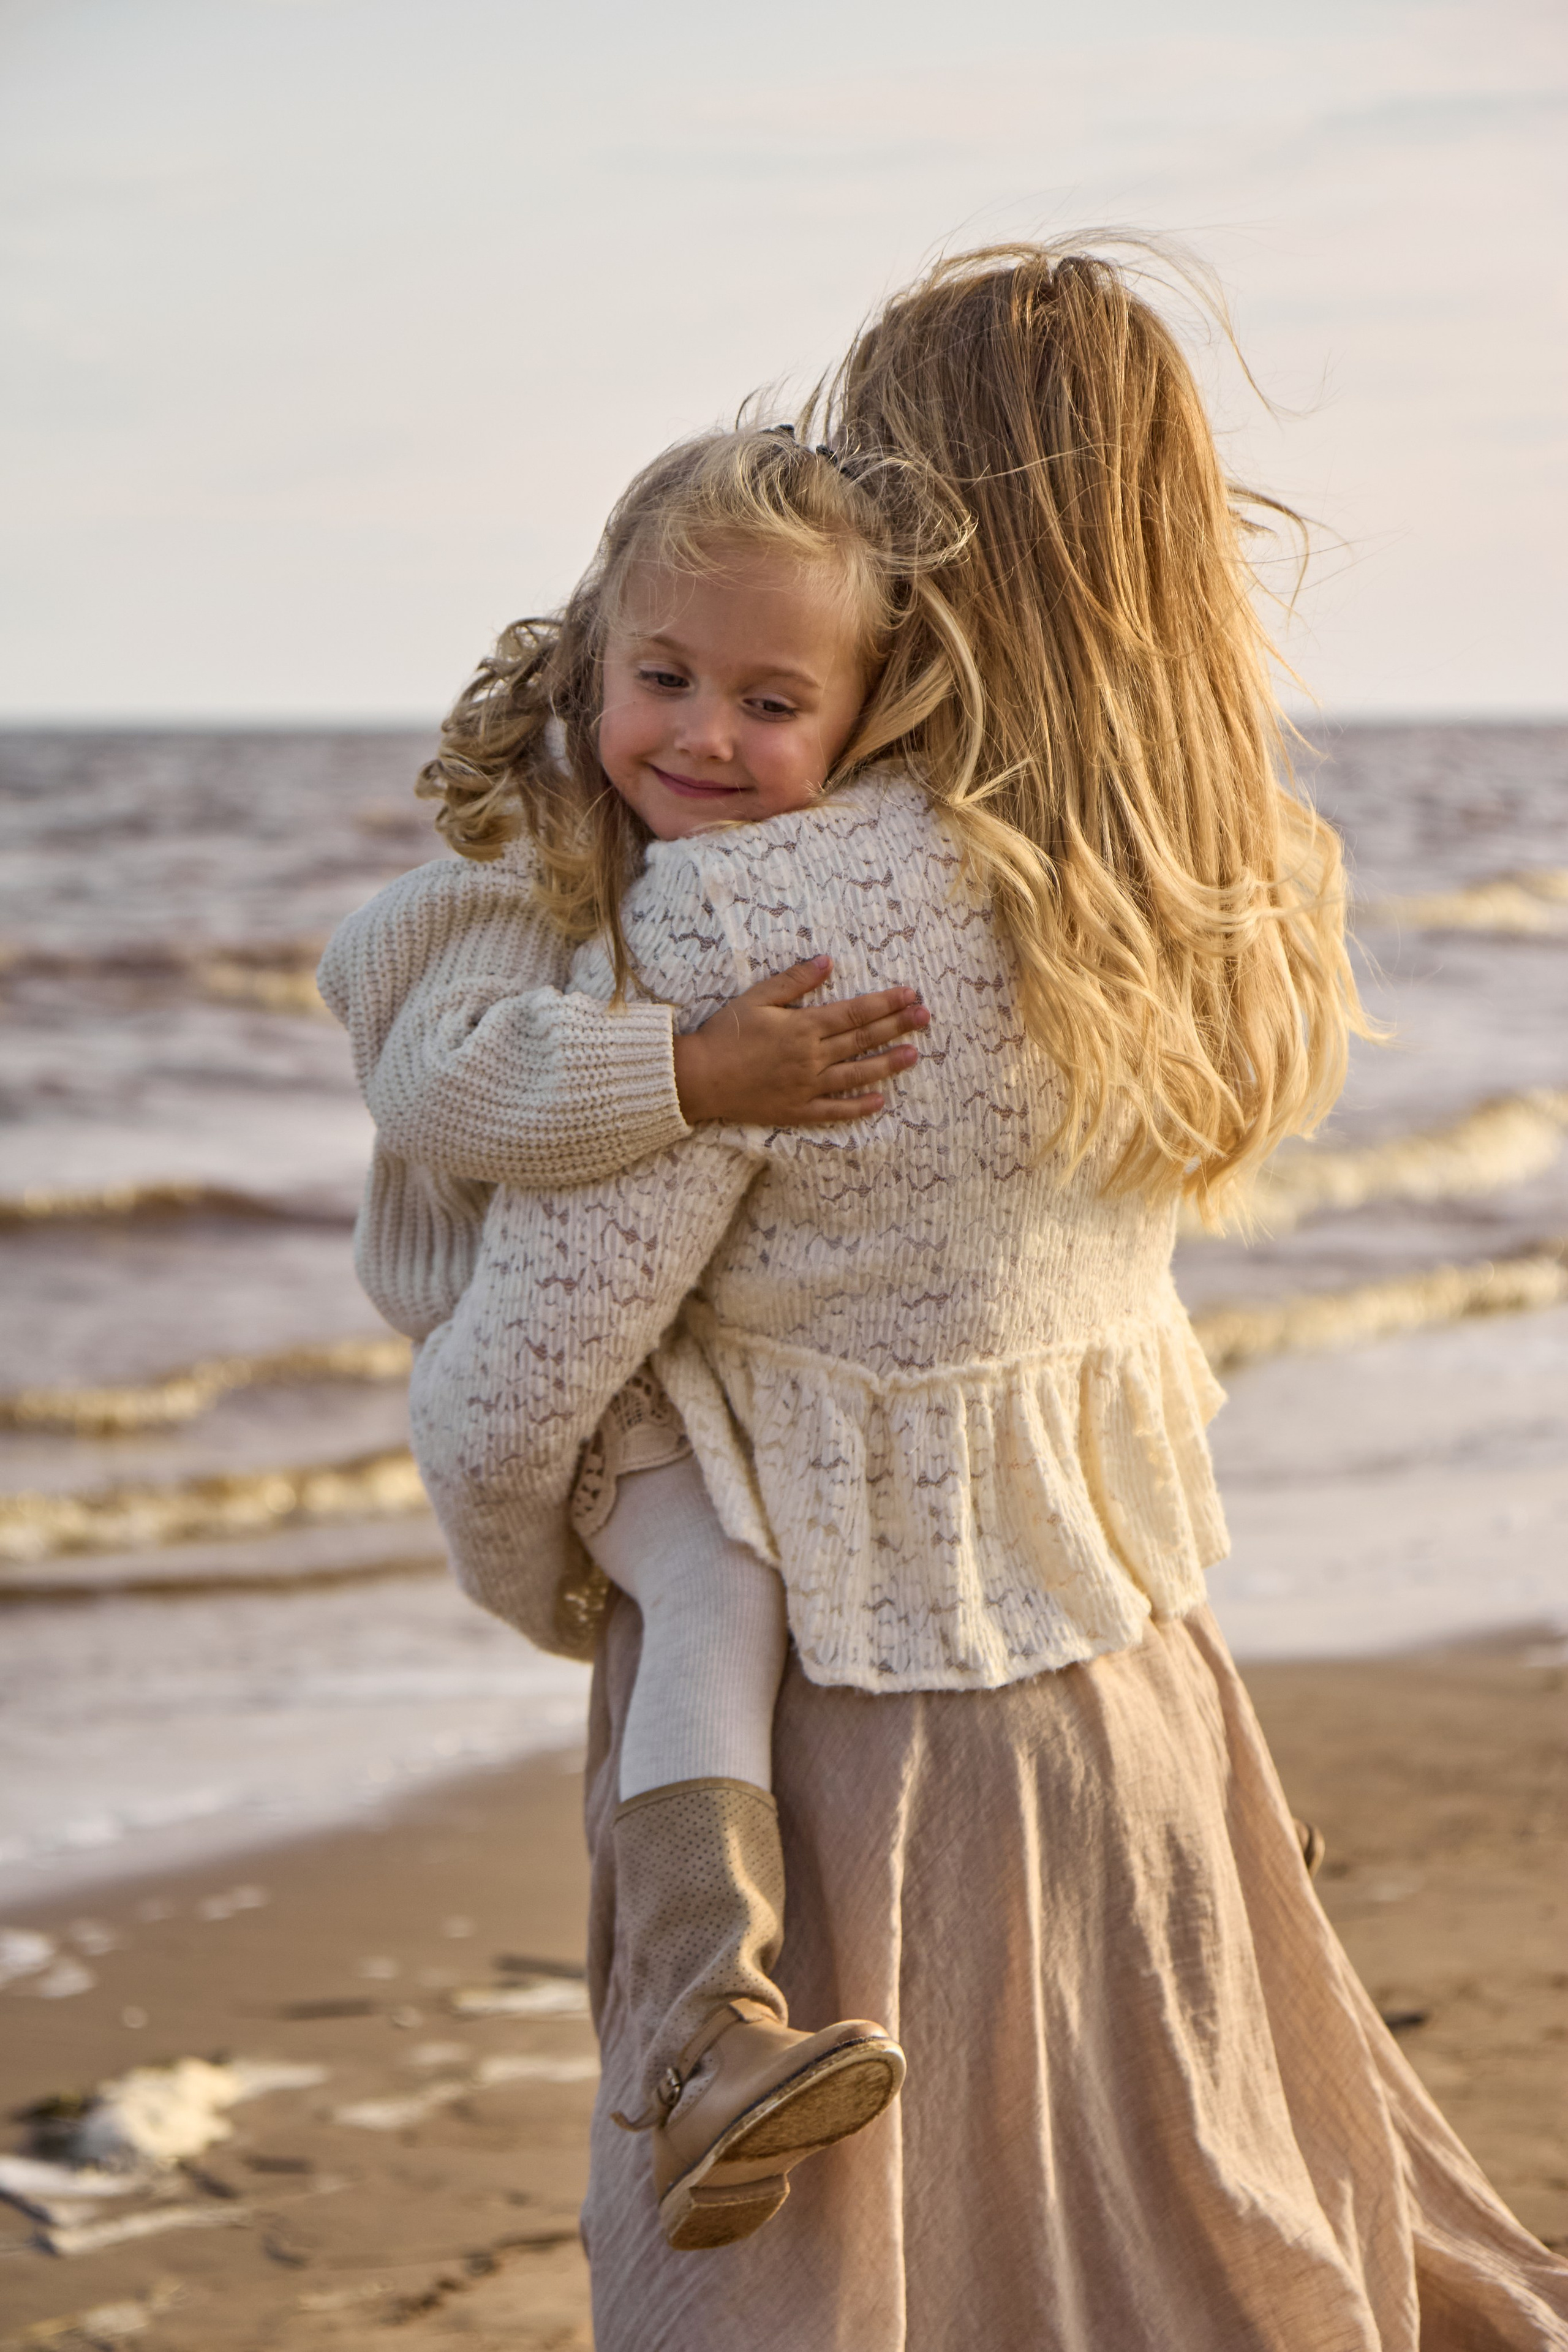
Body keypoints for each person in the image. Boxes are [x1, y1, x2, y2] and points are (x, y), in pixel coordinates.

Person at [396, 247, 1568, 2346]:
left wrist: (550, 1571)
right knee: (1171, 2268)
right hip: (1140, 1689)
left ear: (927, 523)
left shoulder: (766, 902)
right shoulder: (1217, 878)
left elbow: (520, 1389)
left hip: (846, 1743)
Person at [319, 423, 970, 2247]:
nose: (703, 736)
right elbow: (451, 1088)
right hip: (573, 1377)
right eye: (664, 679)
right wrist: (694, 1071)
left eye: (773, 702)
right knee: (721, 1599)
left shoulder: (774, 879)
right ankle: (707, 2025)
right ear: (591, 660)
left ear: (861, 729)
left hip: (682, 1362)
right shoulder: (514, 890)